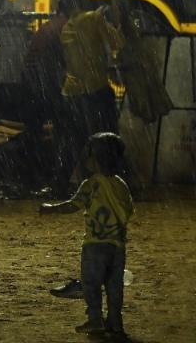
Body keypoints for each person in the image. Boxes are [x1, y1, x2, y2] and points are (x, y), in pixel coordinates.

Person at [40, 132, 133, 336]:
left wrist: (51, 208)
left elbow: (73, 205)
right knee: (114, 287)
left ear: (96, 158)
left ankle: (95, 320)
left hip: (95, 245)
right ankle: (115, 323)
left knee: (91, 285)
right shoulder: (121, 185)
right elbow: (128, 212)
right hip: (117, 246)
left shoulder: (91, 184)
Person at [56, 0, 125, 190]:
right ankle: (112, 181)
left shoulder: (67, 26)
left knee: (74, 141)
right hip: (95, 89)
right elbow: (118, 42)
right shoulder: (92, 18)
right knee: (108, 137)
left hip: (71, 93)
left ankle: (59, 183)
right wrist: (115, 24)